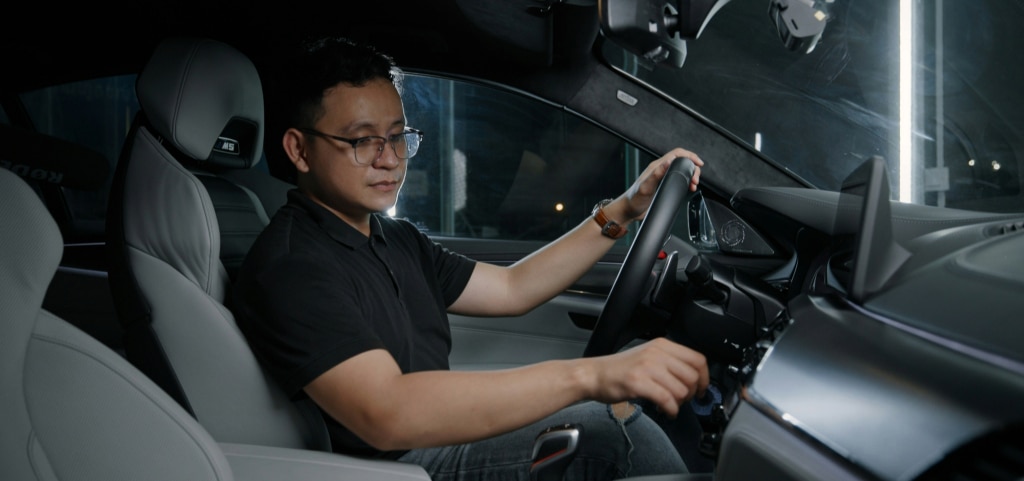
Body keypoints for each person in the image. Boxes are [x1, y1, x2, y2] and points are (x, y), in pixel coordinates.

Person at [232, 36, 708, 481]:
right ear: (299, 149)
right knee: (614, 430)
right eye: (362, 141)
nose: (390, 159)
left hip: (430, 438)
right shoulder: (293, 266)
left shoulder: (395, 238)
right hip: (396, 466)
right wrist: (591, 376)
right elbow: (387, 414)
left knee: (629, 408)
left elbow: (512, 288)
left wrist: (624, 208)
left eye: (397, 136)